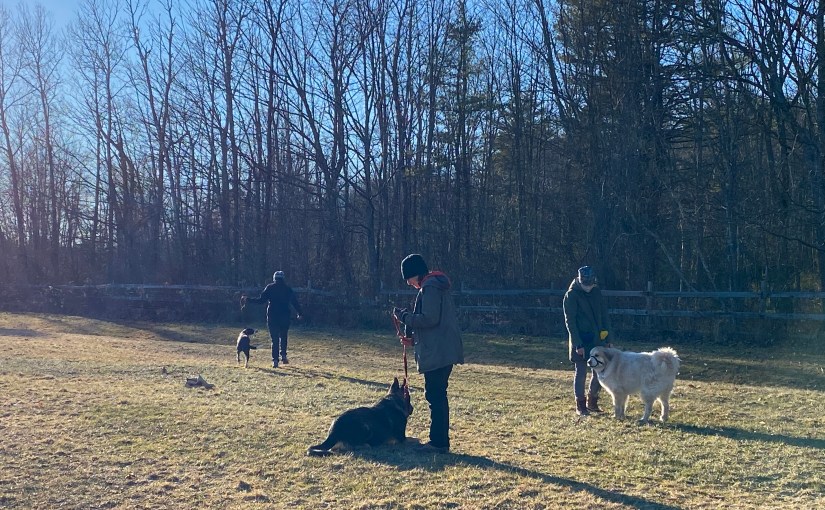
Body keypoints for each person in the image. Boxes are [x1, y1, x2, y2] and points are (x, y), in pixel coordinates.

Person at [392, 254, 464, 453]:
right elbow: (435, 326)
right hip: (442, 349)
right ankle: (439, 440)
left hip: (439, 353)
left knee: (435, 395)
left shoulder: (430, 287)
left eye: (409, 278)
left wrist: (404, 316)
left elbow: (429, 319)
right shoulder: (434, 286)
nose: (409, 283)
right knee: (437, 394)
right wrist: (413, 340)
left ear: (415, 274)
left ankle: (438, 442)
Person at [563, 265, 611, 416]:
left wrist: (608, 337)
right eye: (586, 285)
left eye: (591, 284)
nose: (588, 287)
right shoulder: (571, 296)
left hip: (597, 340)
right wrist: (578, 343)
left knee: (600, 371)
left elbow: (604, 316)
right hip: (581, 340)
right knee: (581, 371)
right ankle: (580, 405)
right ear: (579, 280)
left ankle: (593, 401)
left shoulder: (596, 292)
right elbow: (570, 321)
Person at [241, 270, 303, 368]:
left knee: (274, 339)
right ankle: (283, 355)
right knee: (283, 336)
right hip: (285, 316)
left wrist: (248, 300)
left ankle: (275, 360)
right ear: (283, 278)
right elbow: (295, 302)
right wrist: (300, 313)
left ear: (274, 278)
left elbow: (261, 300)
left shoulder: (269, 288)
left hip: (272, 316)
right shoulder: (288, 289)